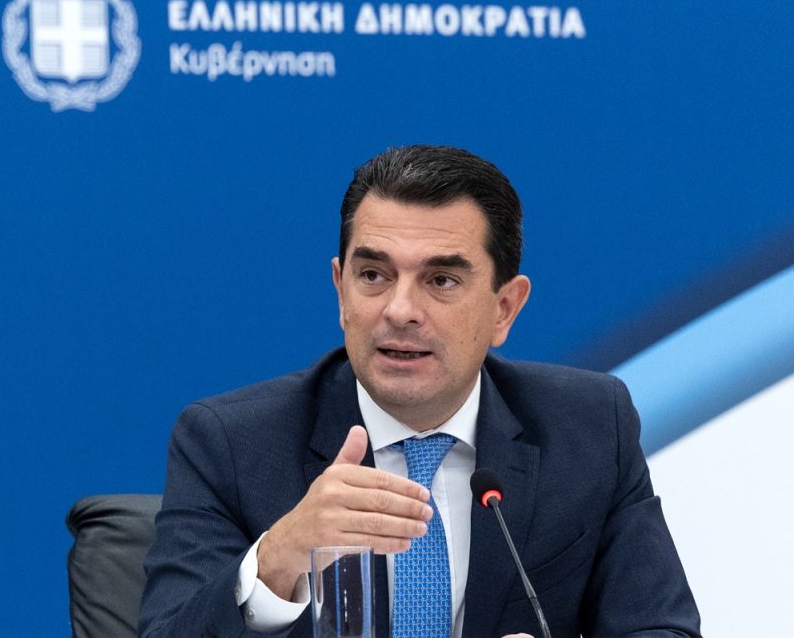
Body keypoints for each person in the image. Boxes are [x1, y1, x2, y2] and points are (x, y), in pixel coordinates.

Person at [139, 145, 701, 637]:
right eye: (373, 276)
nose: (400, 310)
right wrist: (278, 558)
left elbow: (660, 627)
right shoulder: (231, 443)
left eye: (441, 280)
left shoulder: (589, 426)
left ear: (504, 309)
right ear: (341, 291)